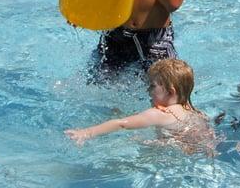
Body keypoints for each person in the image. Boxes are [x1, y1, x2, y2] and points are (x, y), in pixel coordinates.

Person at [66, 59, 216, 155]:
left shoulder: (160, 114)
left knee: (134, 140)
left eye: (152, 86)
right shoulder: (195, 112)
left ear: (170, 92)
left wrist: (87, 132)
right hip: (197, 152)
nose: (148, 91)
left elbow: (121, 124)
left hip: (170, 157)